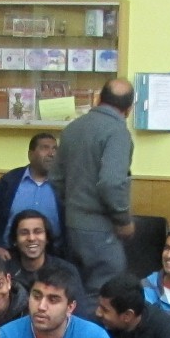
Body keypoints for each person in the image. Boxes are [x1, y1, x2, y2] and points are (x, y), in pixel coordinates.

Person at [53, 77, 137, 289]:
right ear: (128, 109)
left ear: (99, 98)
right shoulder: (118, 132)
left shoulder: (72, 128)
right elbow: (111, 182)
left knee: (76, 291)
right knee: (105, 293)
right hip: (102, 230)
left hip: (72, 226)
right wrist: (123, 220)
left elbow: (55, 179)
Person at [0, 131, 61, 257]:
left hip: (54, 257)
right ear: (30, 154)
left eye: (55, 149)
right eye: (45, 148)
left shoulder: (64, 185)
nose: (52, 154)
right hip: (9, 256)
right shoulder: (9, 182)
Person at [9, 207, 85, 311]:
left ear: (47, 238)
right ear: (15, 240)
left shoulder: (66, 270)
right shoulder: (5, 272)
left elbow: (80, 314)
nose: (31, 238)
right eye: (24, 233)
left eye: (38, 232)